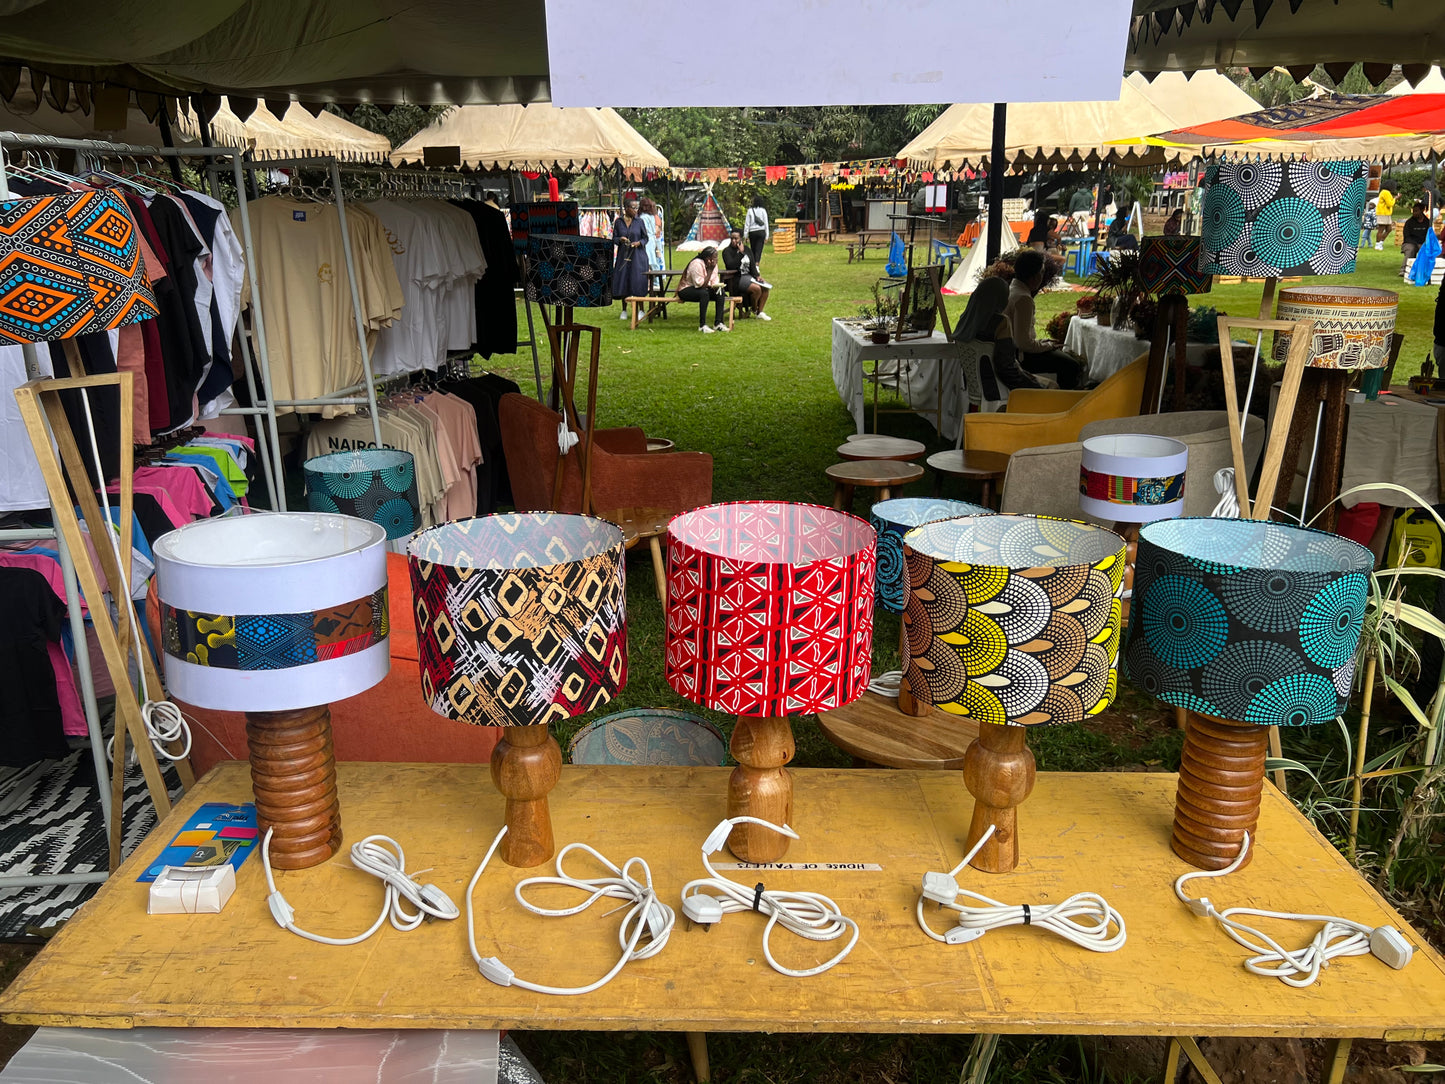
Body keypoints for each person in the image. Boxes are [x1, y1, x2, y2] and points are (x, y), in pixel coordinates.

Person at [1004, 249, 1084, 389]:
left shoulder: (1012, 289)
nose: (1041, 278)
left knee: (1064, 357)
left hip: (1014, 352)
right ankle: (1064, 403)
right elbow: (1023, 343)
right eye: (1041, 273)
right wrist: (1047, 346)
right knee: (1072, 365)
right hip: (1021, 357)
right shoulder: (1023, 298)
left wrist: (1044, 343)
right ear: (1033, 276)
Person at [953, 276, 1041, 401]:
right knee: (1052, 387)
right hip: (998, 390)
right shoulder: (1001, 323)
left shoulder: (965, 321)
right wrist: (1036, 387)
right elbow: (1006, 368)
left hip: (973, 390)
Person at [720, 228, 772, 321]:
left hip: (749, 276)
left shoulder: (747, 249)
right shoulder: (727, 251)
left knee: (765, 288)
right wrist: (740, 253)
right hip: (736, 278)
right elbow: (730, 265)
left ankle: (759, 312)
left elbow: (752, 265)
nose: (733, 241)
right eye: (732, 238)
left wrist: (757, 276)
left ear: (741, 239)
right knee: (756, 289)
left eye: (736, 239)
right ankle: (754, 309)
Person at [677, 246, 729, 333]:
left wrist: (716, 287)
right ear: (708, 259)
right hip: (686, 289)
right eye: (715, 257)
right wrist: (709, 270)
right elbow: (700, 285)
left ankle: (718, 323)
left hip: (703, 288)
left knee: (720, 292)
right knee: (704, 294)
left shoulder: (713, 265)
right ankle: (702, 325)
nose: (716, 260)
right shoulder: (696, 264)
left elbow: (714, 280)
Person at [611, 199, 649, 316]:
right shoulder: (619, 222)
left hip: (638, 256)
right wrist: (620, 239)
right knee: (624, 280)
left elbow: (645, 238)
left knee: (637, 281)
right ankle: (624, 310)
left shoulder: (639, 222)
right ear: (626, 208)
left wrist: (639, 243)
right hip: (624, 255)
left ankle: (640, 309)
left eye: (637, 208)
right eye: (633, 208)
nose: (636, 210)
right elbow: (614, 238)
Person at [1402, 201, 1431, 275]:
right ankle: (1404, 269)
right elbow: (1406, 237)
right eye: (1413, 211)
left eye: (1416, 211)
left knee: (1426, 249)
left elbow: (1429, 235)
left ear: (1422, 211)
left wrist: (1423, 244)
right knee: (1410, 249)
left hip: (1422, 243)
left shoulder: (1427, 222)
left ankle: (1423, 270)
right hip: (1410, 242)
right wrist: (1415, 244)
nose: (1414, 213)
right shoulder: (1409, 222)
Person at [638, 195, 665, 273]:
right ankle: (656, 280)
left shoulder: (643, 217)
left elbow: (644, 230)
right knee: (653, 259)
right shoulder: (651, 216)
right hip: (652, 239)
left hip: (647, 240)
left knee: (649, 260)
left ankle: (655, 280)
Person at [744, 196, 769, 275]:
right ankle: (757, 265)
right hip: (761, 232)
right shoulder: (763, 211)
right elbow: (766, 223)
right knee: (759, 249)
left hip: (752, 232)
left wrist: (746, 235)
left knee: (753, 249)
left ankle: (754, 265)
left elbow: (747, 224)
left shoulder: (750, 211)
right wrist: (767, 235)